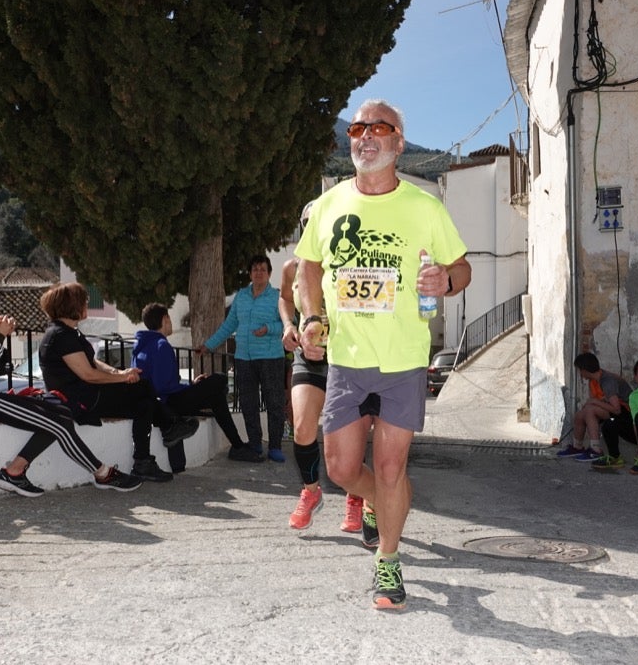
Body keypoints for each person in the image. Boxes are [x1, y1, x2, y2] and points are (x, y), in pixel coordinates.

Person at [296, 99, 471, 610]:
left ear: (398, 143)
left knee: (392, 467)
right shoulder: (329, 204)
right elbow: (307, 267)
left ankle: (388, 564)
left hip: (403, 360)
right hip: (346, 358)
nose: (365, 136)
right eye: (357, 128)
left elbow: (461, 268)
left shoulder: (424, 207)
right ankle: (373, 501)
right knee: (341, 469)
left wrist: (446, 280)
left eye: (379, 128)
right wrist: (310, 315)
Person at [0, 262, 142, 496]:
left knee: (60, 413)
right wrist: (1, 335)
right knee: (59, 422)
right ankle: (102, 473)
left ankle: (14, 472)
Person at [37, 282, 198, 484]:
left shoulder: (68, 332)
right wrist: (123, 377)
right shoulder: (60, 336)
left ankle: (143, 461)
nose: (87, 304)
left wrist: (119, 372)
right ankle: (170, 425)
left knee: (145, 404)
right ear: (72, 306)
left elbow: (93, 361)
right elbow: (89, 374)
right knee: (143, 387)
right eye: (84, 301)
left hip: (88, 395)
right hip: (80, 401)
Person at [279, 201, 368, 531]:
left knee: (351, 434)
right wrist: (289, 326)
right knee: (302, 427)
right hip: (308, 353)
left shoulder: (347, 264)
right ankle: (311, 491)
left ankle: (356, 497)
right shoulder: (292, 268)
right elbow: (286, 299)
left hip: (346, 356)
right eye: (308, 223)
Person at [132, 302, 265, 464]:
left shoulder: (142, 346)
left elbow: (164, 382)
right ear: (165, 319)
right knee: (219, 379)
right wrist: (191, 387)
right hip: (169, 403)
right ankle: (237, 447)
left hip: (160, 402)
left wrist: (191, 384)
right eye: (169, 319)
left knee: (216, 396)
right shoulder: (161, 345)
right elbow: (163, 387)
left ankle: (237, 446)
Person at [198, 255, 287, 463]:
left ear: (270, 273)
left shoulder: (277, 297)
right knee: (248, 403)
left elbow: (287, 324)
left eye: (263, 269)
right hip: (243, 359)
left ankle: (275, 446)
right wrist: (208, 345)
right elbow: (229, 325)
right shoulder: (242, 296)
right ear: (250, 273)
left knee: (274, 403)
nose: (258, 273)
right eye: (255, 269)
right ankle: (255, 444)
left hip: (271, 357)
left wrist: (269, 329)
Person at [557, 352, 633, 462]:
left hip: (625, 412)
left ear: (584, 369)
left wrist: (594, 402)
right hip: (608, 409)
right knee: (580, 414)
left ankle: (596, 449)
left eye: (580, 370)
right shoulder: (593, 381)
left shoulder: (608, 381)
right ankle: (577, 447)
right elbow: (595, 401)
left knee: (590, 410)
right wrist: (593, 402)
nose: (580, 374)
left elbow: (617, 409)